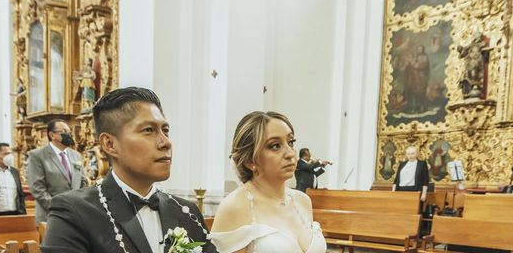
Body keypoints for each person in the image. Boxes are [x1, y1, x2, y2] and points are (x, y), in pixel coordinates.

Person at [41, 87, 215, 253]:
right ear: (110, 144)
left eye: (166, 130)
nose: (166, 142)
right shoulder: (73, 212)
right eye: (148, 130)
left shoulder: (187, 211)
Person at [210, 111, 327, 253]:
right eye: (275, 146)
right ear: (250, 160)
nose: (290, 153)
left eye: (290, 142)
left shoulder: (302, 200)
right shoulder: (235, 206)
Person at [27, 120, 87, 224]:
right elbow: (37, 188)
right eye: (64, 131)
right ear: (52, 135)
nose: (68, 135)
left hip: (76, 215)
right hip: (51, 215)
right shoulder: (38, 155)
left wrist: (80, 204)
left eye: (69, 132)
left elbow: (82, 182)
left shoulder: (76, 155)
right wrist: (59, 207)